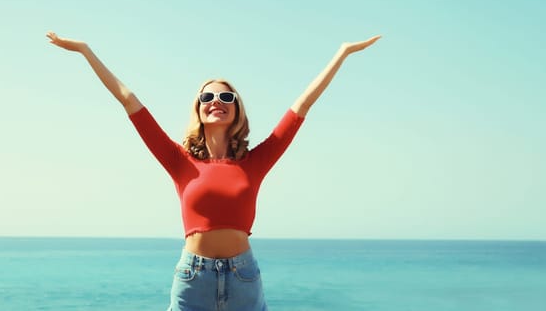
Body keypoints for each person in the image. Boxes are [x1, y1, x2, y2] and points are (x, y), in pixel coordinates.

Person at [46, 31, 380, 311]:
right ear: (198, 107)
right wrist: (85, 51)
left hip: (243, 277)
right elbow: (128, 99)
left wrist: (342, 53)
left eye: (225, 96)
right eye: (207, 95)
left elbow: (301, 106)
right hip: (193, 279)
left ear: (237, 109)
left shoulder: (256, 161)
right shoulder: (179, 161)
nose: (216, 100)